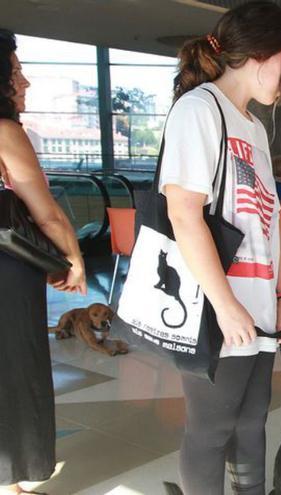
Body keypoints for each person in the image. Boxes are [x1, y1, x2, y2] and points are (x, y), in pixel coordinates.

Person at [163, 2, 281, 493]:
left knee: (251, 423)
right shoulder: (199, 109)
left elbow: (268, 223)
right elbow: (184, 214)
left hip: (258, 304)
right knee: (211, 430)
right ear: (268, 54)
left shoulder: (254, 128)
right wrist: (226, 307)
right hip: (216, 306)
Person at [0, 29, 87, 495]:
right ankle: (11, 479)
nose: (25, 82)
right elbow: (47, 213)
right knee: (14, 369)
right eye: (15, 71)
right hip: (6, 274)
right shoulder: (4, 132)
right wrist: (72, 259)